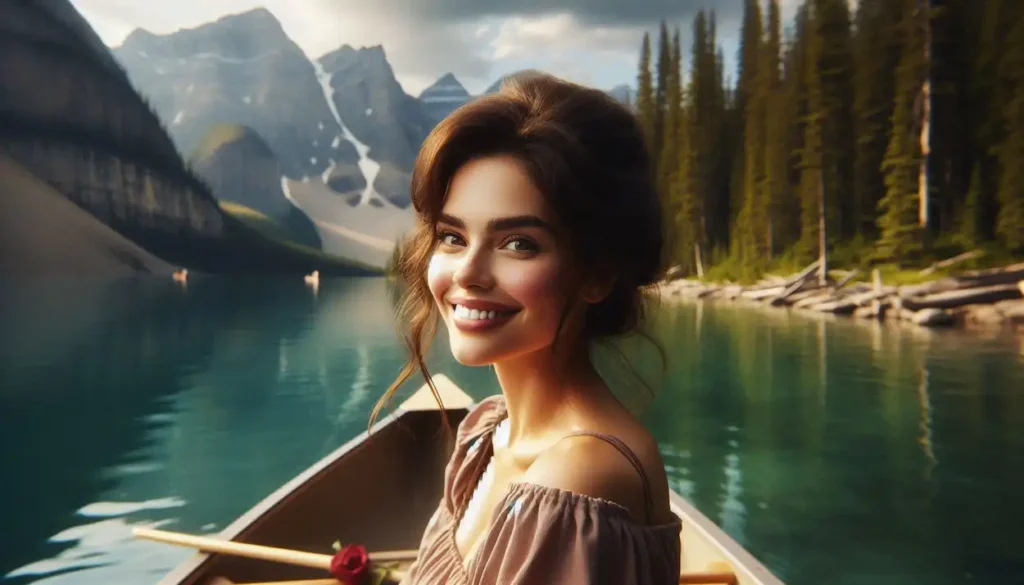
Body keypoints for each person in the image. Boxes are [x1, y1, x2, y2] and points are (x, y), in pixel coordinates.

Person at [378, 72, 682, 585]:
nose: (468, 273)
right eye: (451, 237)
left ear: (597, 274)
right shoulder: (486, 433)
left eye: (518, 243)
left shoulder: (580, 478)